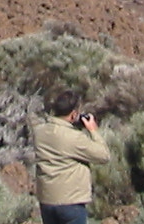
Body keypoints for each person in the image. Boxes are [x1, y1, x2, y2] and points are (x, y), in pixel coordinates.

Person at [31, 89, 110, 224]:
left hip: (47, 200)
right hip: (71, 203)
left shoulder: (39, 132)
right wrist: (93, 130)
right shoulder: (74, 138)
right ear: (74, 115)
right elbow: (104, 155)